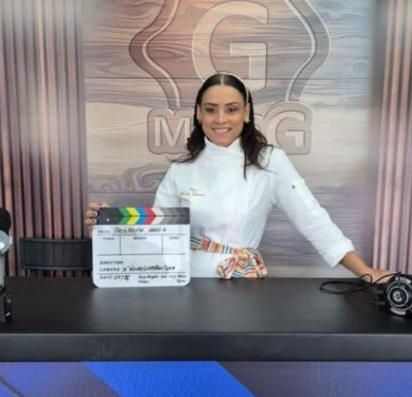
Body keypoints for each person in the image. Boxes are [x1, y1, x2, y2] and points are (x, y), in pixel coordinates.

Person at [86, 72, 388, 282]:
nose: (221, 119)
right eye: (211, 110)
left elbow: (314, 220)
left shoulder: (270, 162)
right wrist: (107, 227)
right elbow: (156, 240)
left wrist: (365, 272)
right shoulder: (180, 171)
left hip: (241, 284)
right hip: (183, 285)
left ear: (246, 112)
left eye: (231, 109)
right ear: (198, 114)